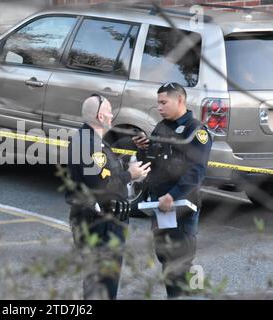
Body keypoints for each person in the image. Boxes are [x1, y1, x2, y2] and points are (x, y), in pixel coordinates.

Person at [66, 94, 151, 299]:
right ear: (100, 116)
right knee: (103, 283)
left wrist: (131, 148)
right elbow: (100, 186)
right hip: (101, 224)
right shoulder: (88, 144)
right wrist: (132, 174)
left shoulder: (91, 140)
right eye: (110, 111)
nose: (113, 115)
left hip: (100, 222)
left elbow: (105, 169)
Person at [133, 82, 212, 298]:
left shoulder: (196, 131)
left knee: (181, 260)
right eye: (158, 102)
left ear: (180, 100)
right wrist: (143, 150)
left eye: (163, 102)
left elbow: (196, 171)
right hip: (160, 205)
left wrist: (172, 195)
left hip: (181, 206)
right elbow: (153, 162)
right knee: (166, 258)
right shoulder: (161, 127)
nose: (159, 107)